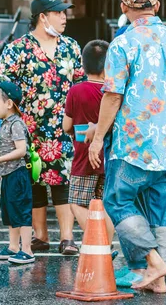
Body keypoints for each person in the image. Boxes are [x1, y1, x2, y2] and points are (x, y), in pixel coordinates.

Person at [88, 0, 166, 293]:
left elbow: (112, 97)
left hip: (135, 145)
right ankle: (158, 279)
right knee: (160, 212)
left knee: (116, 201)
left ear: (124, 9)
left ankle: (153, 262)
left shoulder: (122, 44)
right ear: (157, 6)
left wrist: (98, 138)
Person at [0, 0, 85, 256]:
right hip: (28, 128)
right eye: (58, 13)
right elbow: (1, 85)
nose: (64, 18)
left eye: (64, 13)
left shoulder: (70, 46)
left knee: (62, 180)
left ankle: (67, 239)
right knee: (33, 181)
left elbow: (80, 82)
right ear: (42, 17)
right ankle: (40, 236)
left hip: (64, 127)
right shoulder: (18, 49)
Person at [62, 40, 115, 246]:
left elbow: (67, 126)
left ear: (83, 66)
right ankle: (108, 247)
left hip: (84, 155)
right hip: (108, 155)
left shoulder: (76, 91)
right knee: (102, 205)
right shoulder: (112, 92)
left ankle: (99, 242)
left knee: (76, 203)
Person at [0, 82, 35, 264]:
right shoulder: (4, 123)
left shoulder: (16, 123)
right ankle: (13, 247)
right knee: (10, 211)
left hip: (17, 173)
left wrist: (0, 159)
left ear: (9, 104)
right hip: (7, 174)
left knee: (21, 212)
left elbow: (22, 150)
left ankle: (27, 250)